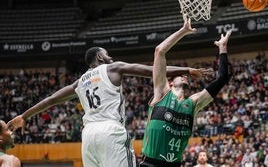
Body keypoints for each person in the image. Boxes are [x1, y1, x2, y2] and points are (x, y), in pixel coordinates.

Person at [7, 45, 211, 166]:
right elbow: (151, 70)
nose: (110, 56)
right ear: (99, 57)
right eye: (107, 54)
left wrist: (24, 116)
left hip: (87, 137)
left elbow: (50, 100)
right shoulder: (112, 67)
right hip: (110, 131)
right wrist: (186, 69)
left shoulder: (79, 83)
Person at [139, 14, 232, 167]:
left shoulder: (194, 103)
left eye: (185, 76)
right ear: (169, 83)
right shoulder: (162, 92)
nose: (184, 77)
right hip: (150, 164)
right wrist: (183, 31)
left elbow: (222, 78)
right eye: (179, 76)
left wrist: (222, 48)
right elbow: (159, 51)